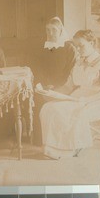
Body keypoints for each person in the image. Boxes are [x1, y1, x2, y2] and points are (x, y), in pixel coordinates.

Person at [40, 29, 100, 159]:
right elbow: (69, 86)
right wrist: (52, 92)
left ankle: (67, 149)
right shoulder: (78, 62)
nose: (78, 50)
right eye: (76, 46)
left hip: (95, 101)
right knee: (48, 107)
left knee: (61, 110)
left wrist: (88, 99)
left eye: (81, 46)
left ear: (91, 43)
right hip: (76, 97)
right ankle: (51, 148)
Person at [32, 17, 77, 145]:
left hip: (63, 86)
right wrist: (42, 84)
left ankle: (58, 141)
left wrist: (56, 86)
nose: (50, 33)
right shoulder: (43, 47)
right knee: (37, 100)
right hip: (44, 86)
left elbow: (71, 71)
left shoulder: (69, 48)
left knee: (56, 105)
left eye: (53, 30)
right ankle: (41, 140)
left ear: (61, 31)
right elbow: (37, 68)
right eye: (47, 30)